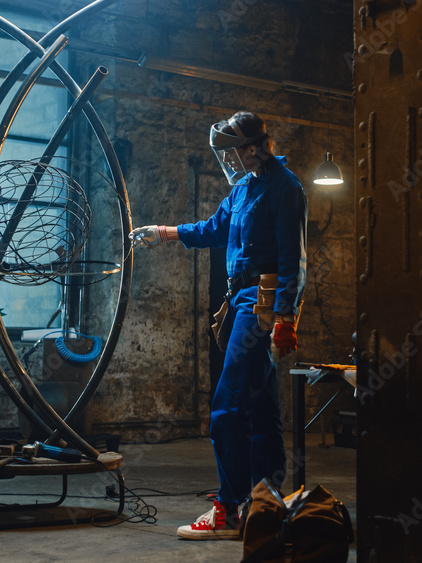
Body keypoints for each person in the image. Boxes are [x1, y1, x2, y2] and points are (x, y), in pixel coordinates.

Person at [130, 111, 307, 540]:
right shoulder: (243, 190)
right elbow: (214, 229)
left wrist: (284, 317)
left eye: (230, 153)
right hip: (239, 300)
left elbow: (293, 260)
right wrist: (166, 232)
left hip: (259, 305)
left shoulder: (286, 188)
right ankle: (266, 503)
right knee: (263, 409)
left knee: (226, 409)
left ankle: (228, 511)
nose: (226, 162)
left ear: (252, 149)